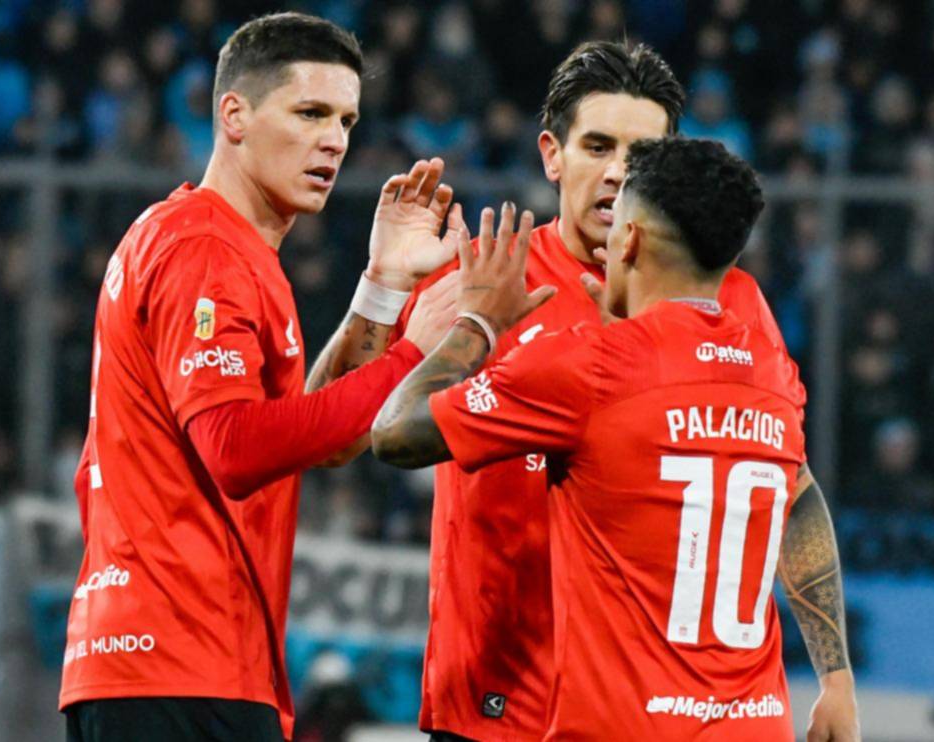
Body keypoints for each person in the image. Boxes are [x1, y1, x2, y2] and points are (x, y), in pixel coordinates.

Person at [59, 12, 465, 742]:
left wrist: (382, 287)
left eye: (345, 120)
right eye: (309, 113)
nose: (334, 140)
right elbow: (236, 448)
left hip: (155, 662)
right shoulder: (206, 253)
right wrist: (414, 354)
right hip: (182, 663)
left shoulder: (200, 241)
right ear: (234, 115)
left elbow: (316, 436)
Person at [372, 137, 860, 741]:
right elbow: (800, 500)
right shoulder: (772, 371)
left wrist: (476, 323)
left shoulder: (587, 367)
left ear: (627, 240)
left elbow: (394, 433)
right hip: (756, 726)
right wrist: (837, 680)